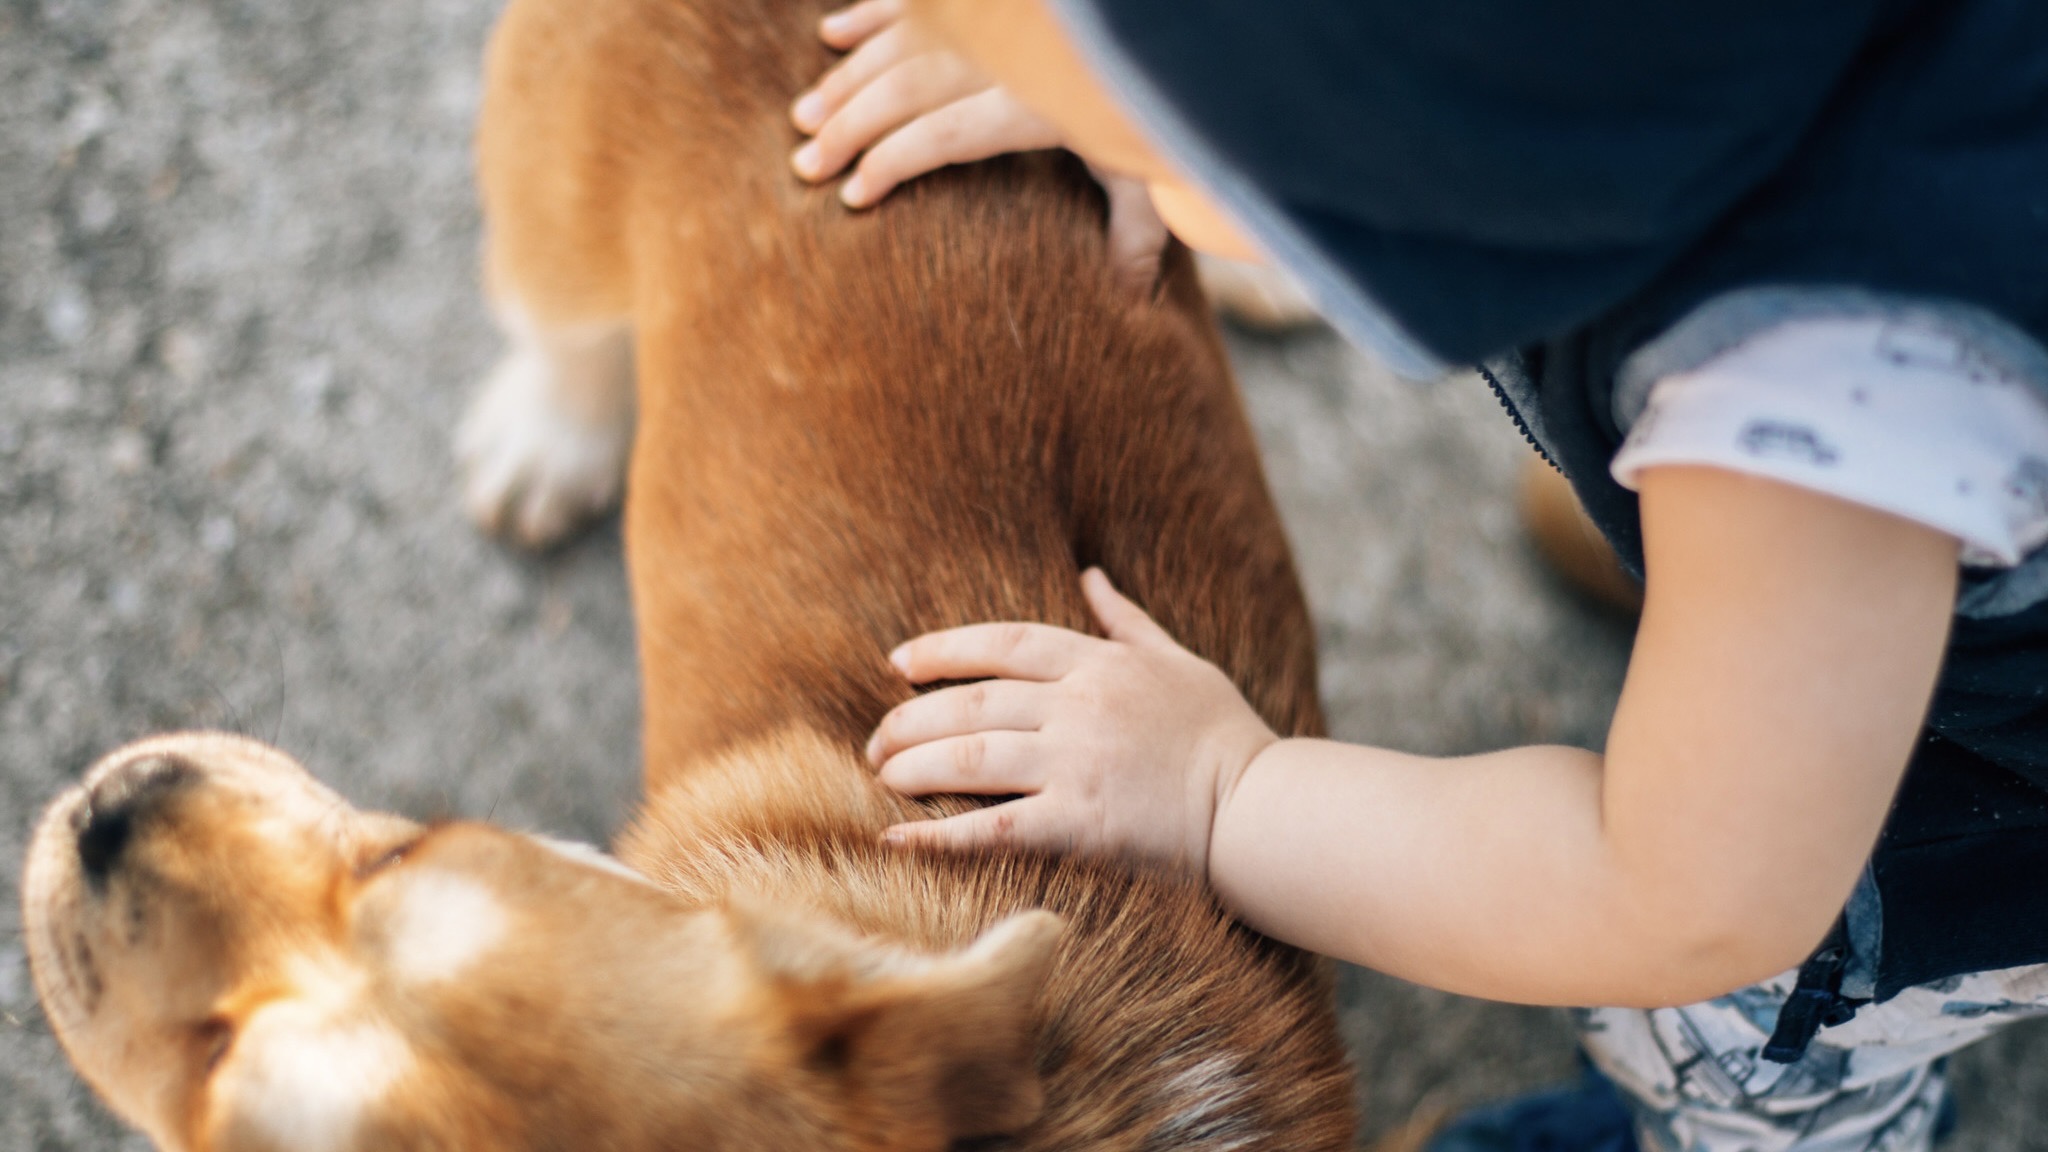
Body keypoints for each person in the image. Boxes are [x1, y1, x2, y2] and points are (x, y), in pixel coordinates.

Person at [789, 1, 2048, 1148]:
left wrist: (1229, 795)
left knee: (1757, 1021)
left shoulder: (1821, 413)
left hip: (1987, 789)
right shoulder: (1655, 94)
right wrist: (1114, 86)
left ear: (1424, 177)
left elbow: (1686, 897)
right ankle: (1775, 622)